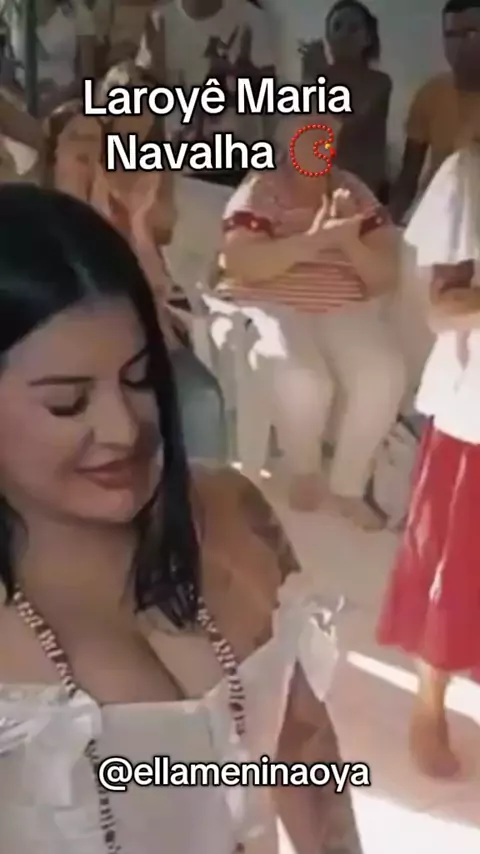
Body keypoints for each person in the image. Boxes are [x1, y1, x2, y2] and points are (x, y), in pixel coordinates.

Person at [0, 183, 364, 854]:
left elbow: (304, 748)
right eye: (68, 403)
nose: (122, 429)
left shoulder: (231, 511)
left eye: (140, 378)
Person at [216, 114, 405, 525]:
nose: (318, 144)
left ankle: (348, 484)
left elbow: (385, 276)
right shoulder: (262, 188)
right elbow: (242, 261)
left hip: (344, 304)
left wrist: (347, 240)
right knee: (304, 379)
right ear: (287, 140)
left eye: (327, 134)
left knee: (384, 374)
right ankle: (304, 468)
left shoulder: (354, 191)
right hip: (273, 302)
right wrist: (317, 240)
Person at [46, 62, 228, 463]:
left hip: (136, 326)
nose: (88, 149)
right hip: (77, 337)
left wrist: (140, 221)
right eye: (76, 140)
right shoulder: (41, 208)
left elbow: (155, 277)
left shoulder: (138, 185)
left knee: (202, 398)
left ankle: (190, 497)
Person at [376, 117, 480, 778]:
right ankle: (428, 704)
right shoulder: (470, 173)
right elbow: (442, 310)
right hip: (476, 408)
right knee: (457, 562)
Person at [389, 0, 480, 224]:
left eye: (471, 33)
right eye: (451, 35)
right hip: (437, 217)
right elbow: (408, 177)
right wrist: (389, 222)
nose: (460, 44)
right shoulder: (430, 93)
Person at [300, 0, 391, 198]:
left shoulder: (379, 82)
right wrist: (308, 79)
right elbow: (305, 133)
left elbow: (346, 125)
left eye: (353, 28)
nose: (343, 34)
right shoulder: (319, 75)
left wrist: (319, 79)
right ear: (327, 36)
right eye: (337, 27)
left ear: (368, 38)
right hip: (320, 187)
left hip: (363, 191)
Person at [0, 0, 98, 116]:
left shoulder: (79, 12)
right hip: (19, 104)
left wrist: (59, 96)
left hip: (65, 104)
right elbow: (4, 81)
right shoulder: (9, 8)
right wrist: (24, 103)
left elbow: (87, 77)